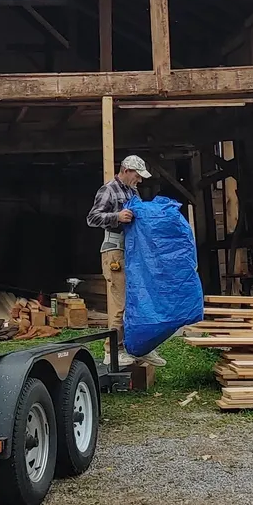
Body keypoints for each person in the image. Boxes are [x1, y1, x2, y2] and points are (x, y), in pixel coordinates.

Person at [86, 154, 166, 368]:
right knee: (120, 304)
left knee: (137, 301)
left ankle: (139, 347)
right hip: (115, 252)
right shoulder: (109, 189)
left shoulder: (132, 191)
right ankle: (113, 350)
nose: (139, 180)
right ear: (126, 170)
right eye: (137, 176)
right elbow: (92, 218)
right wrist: (117, 217)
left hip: (132, 251)